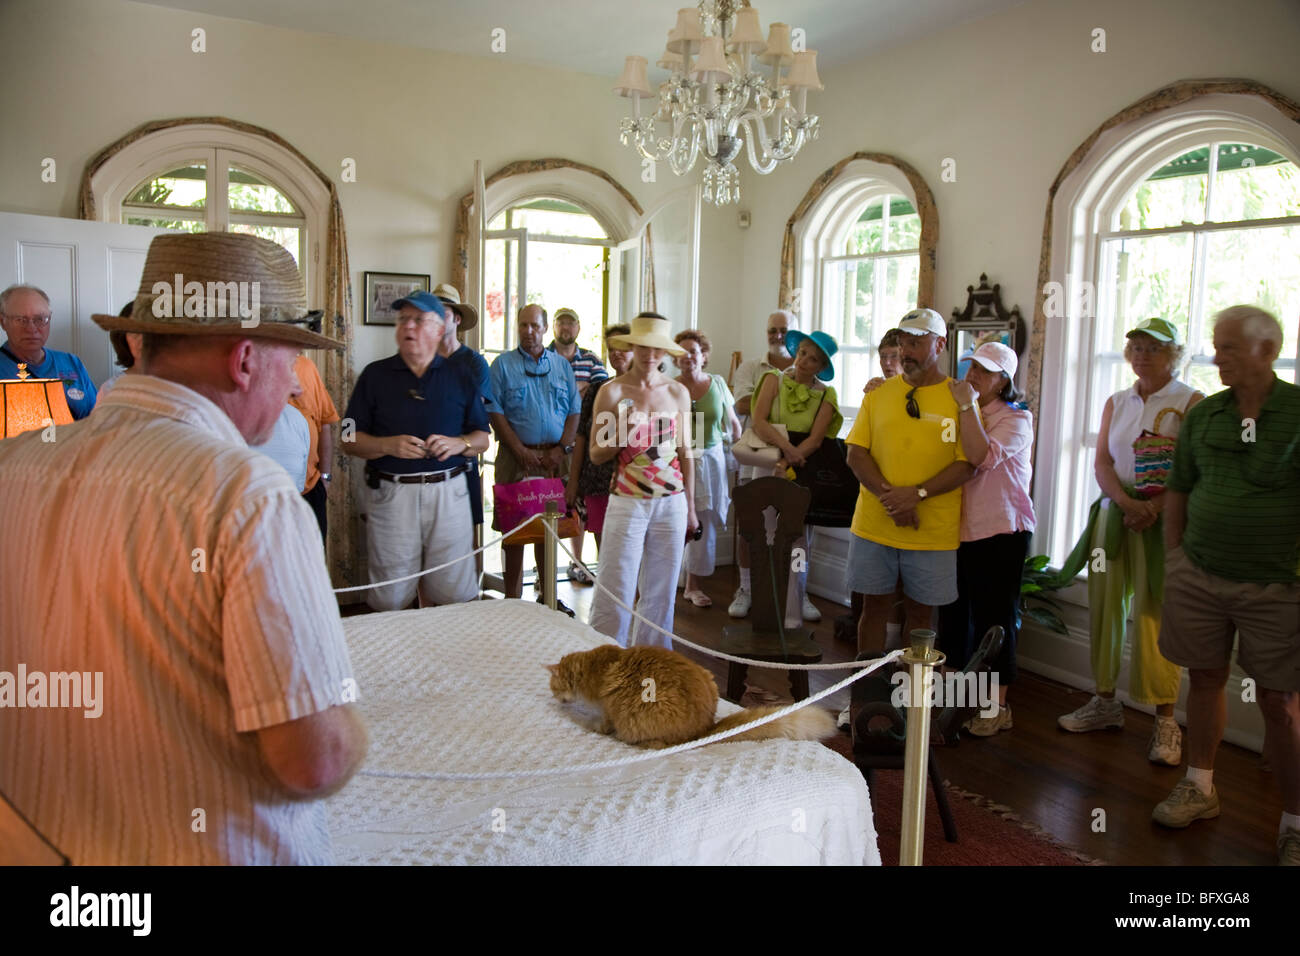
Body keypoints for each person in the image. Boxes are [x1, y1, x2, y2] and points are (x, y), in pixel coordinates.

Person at [0, 232, 366, 864]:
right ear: (245, 360)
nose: (293, 391)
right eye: (292, 366)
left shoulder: (16, 462)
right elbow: (314, 761)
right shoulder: (249, 497)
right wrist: (352, 727)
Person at [1150, 306, 1300, 865]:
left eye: (1229, 348)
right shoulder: (1207, 414)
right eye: (1216, 346)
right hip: (1199, 575)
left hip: (1279, 585)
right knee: (1205, 678)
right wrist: (1176, 558)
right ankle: (1200, 785)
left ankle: (1294, 820)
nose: (1217, 358)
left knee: (1280, 701)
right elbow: (1180, 488)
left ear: (1267, 350)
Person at [1056, 318, 1204, 766]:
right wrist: (1124, 502)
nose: (1141, 355)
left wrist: (1154, 510)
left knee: (1156, 613)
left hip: (1164, 522)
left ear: (1173, 354)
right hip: (1115, 515)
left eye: (1152, 349)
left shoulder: (1190, 401)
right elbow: (1102, 461)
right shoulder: (1117, 401)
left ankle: (1165, 721)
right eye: (1136, 347)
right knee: (1105, 605)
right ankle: (1105, 701)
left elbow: (1194, 467)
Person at [844, 307, 975, 717]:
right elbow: (856, 453)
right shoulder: (878, 394)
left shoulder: (958, 397)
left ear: (940, 344)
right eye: (903, 341)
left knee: (921, 614)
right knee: (873, 608)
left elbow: (967, 463)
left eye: (916, 342)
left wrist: (914, 496)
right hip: (874, 525)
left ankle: (913, 703)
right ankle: (865, 700)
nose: (906, 350)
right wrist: (891, 498)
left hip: (931, 530)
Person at [344, 291, 491, 610]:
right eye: (402, 320)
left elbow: (483, 437)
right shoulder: (374, 376)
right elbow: (346, 436)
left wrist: (459, 443)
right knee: (389, 597)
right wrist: (385, 444)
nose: (408, 326)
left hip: (450, 495)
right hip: (392, 496)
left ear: (439, 329)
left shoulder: (461, 375)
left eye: (418, 319)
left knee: (455, 597)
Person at [938, 342, 1036, 736]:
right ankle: (954, 696)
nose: (974, 375)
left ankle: (998, 706)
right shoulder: (963, 409)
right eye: (972, 367)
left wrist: (964, 407)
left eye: (985, 371)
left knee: (996, 618)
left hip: (1001, 530)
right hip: (958, 529)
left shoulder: (1016, 419)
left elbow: (979, 457)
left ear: (1003, 381)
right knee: (955, 613)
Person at [588, 312, 698, 648]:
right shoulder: (611, 391)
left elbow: (686, 453)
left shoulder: (679, 393)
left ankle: (651, 666)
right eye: (644, 347)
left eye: (657, 349)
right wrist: (622, 430)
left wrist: (691, 509)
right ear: (632, 346)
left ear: (665, 352)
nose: (650, 355)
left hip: (672, 504)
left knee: (661, 593)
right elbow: (595, 453)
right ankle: (604, 666)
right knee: (615, 586)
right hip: (627, 502)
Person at [487, 304, 581, 611]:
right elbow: (494, 411)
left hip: (555, 459)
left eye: (534, 326)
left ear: (545, 329)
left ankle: (548, 598)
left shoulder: (562, 366)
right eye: (523, 325)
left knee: (548, 529)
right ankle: (511, 601)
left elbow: (574, 411)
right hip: (516, 460)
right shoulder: (501, 366)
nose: (529, 331)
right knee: (514, 531)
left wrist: (562, 449)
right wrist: (520, 450)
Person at [728, 309, 798, 618]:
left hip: (795, 459)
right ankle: (746, 588)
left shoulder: (807, 367)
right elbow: (741, 405)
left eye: (783, 330)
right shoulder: (750, 367)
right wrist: (780, 393)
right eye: (773, 329)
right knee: (749, 528)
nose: (777, 335)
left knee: (796, 531)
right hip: (754, 458)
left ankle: (797, 592)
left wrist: (766, 405)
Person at [675, 329, 741, 607]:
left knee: (704, 524)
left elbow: (734, 425)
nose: (688, 357)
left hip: (711, 461)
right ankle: (673, 577)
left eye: (693, 351)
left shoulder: (717, 383)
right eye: (682, 352)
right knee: (675, 521)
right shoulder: (670, 387)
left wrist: (740, 458)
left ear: (704, 356)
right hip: (676, 461)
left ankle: (693, 585)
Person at [550, 307, 608, 584]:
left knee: (581, 503)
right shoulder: (544, 357)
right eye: (561, 323)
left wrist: (572, 393)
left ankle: (579, 561)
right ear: (554, 327)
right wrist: (578, 392)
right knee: (552, 504)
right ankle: (548, 570)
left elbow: (602, 396)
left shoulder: (592, 361)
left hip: (583, 442)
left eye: (570, 323)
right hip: (549, 442)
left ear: (579, 328)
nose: (566, 328)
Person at [567, 323, 632, 555]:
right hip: (597, 480)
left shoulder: (645, 391)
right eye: (611, 347)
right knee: (606, 554)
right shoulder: (597, 391)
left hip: (634, 483)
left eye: (622, 346)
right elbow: (581, 438)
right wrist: (573, 483)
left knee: (630, 553)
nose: (616, 352)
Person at [432, 283, 490, 532]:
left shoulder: (474, 363)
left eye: (442, 313)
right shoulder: (420, 360)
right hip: (426, 465)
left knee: (466, 539)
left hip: (463, 461)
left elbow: (474, 413)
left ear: (456, 318)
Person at [0, 283, 98, 418]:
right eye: (21, 320)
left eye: (40, 319)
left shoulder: (71, 362)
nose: (31, 328)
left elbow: (95, 417)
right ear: (3, 322)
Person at [291, 354, 340, 542]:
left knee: (312, 561)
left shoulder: (306, 366)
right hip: (262, 494)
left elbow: (324, 423)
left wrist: (325, 477)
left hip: (310, 488)